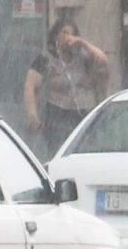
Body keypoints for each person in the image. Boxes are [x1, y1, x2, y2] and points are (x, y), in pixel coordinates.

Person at [24, 18, 109, 157]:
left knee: (83, 153)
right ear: (55, 35)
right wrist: (32, 115)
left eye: (71, 33)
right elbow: (30, 86)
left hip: (81, 113)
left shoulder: (82, 56)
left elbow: (103, 61)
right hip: (56, 113)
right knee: (58, 152)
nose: (67, 37)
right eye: (64, 33)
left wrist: (82, 43)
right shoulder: (46, 58)